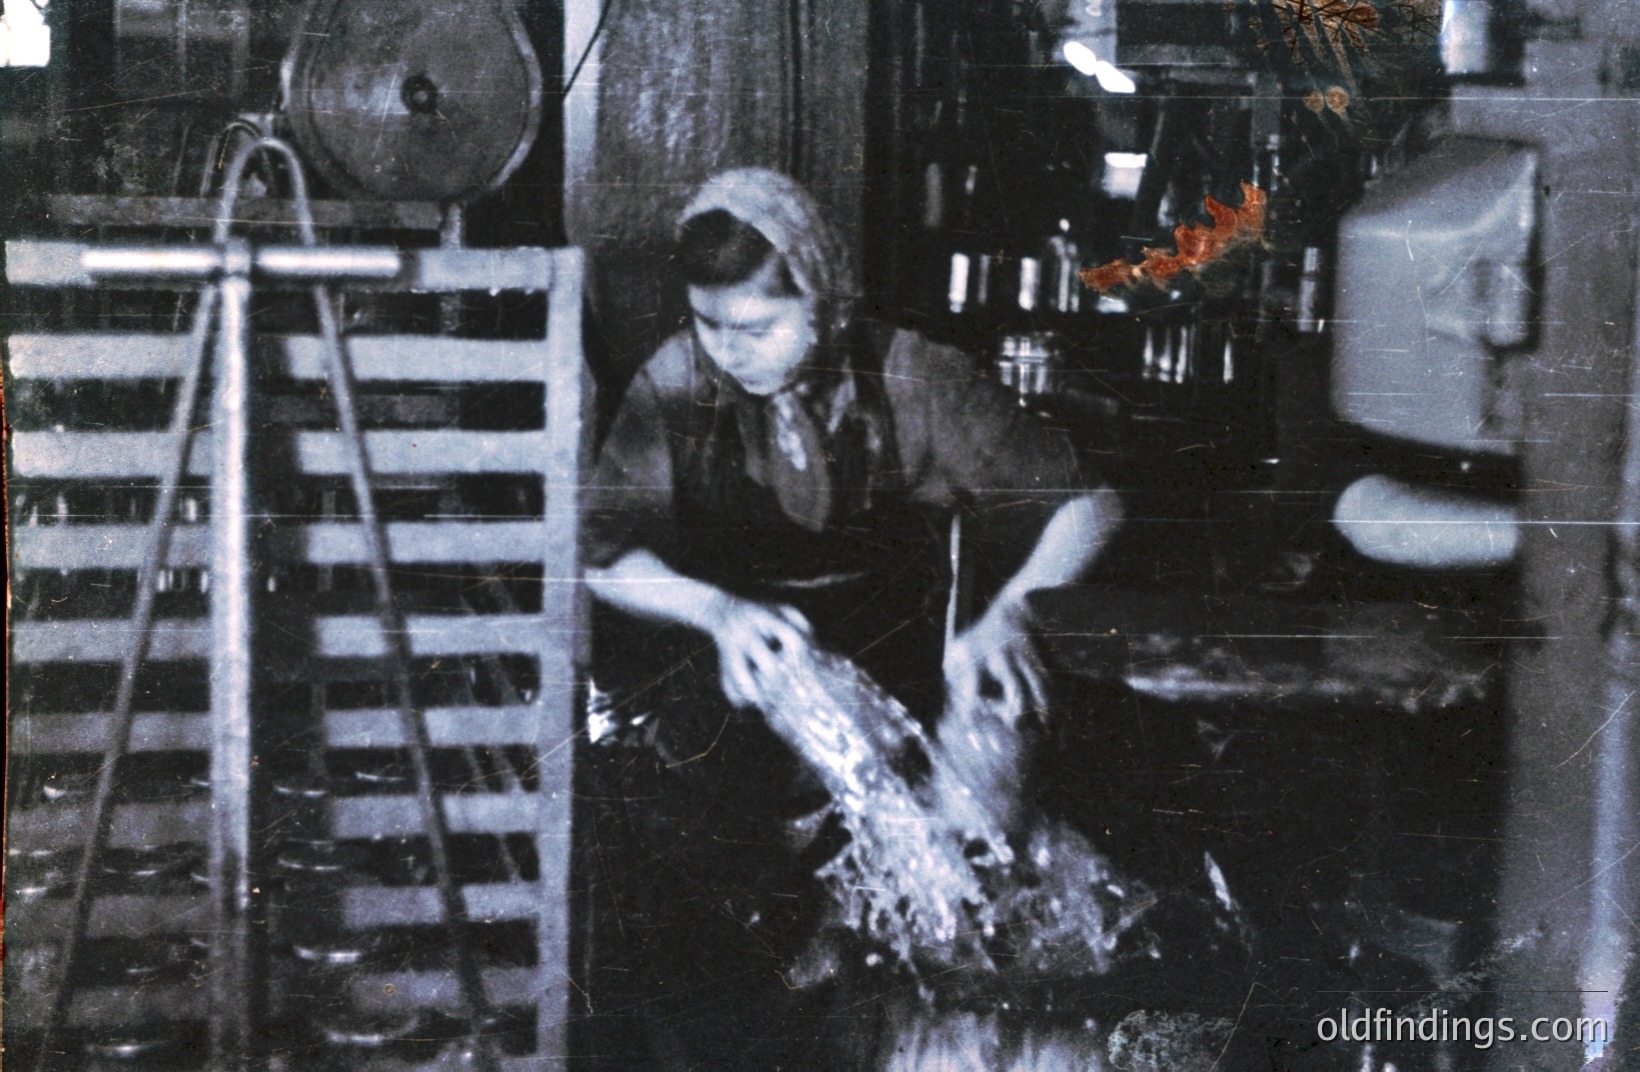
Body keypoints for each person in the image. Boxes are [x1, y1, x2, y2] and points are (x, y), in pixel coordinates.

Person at [578, 168, 1123, 1067]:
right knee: (723, 976)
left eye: (755, 327)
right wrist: (715, 612)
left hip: (909, 703)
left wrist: (1010, 617)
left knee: (932, 947)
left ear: (824, 303)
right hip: (735, 714)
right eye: (708, 324)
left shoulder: (916, 379)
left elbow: (1090, 506)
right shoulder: (678, 381)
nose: (727, 351)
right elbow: (598, 551)